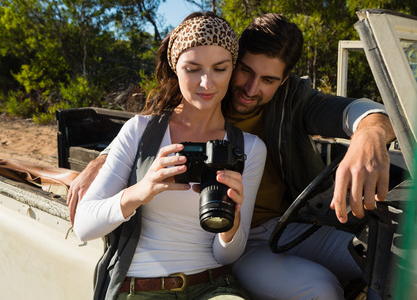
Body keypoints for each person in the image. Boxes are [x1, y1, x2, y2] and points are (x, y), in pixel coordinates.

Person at [70, 13, 396, 300]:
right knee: (320, 288)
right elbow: (156, 126)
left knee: (391, 263)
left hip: (291, 224)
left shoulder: (285, 109)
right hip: (236, 240)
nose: (250, 89)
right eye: (244, 71)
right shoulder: (202, 98)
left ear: (283, 81)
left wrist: (370, 135)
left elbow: (355, 112)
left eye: (268, 80)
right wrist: (103, 160)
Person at [73, 11, 266, 300]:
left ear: (232, 69)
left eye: (219, 69)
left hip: (215, 285)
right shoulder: (140, 131)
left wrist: (232, 223)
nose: (207, 83)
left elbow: (228, 254)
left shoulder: (248, 147)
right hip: (143, 288)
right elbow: (84, 227)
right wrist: (142, 190)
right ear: (176, 69)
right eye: (193, 69)